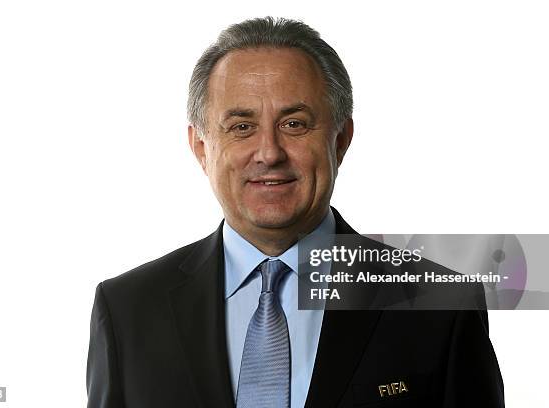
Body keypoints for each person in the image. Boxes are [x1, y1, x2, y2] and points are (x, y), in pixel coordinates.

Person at [86, 17, 504, 408]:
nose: (268, 153)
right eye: (241, 127)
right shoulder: (128, 310)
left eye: (295, 124)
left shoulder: (441, 307)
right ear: (201, 147)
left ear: (341, 139)